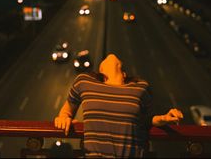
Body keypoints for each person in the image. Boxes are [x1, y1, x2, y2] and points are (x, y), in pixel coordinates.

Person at [54, 53, 183, 158]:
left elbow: (146, 120)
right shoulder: (84, 81)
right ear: (100, 71)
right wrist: (63, 118)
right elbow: (67, 111)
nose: (110, 56)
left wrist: (164, 118)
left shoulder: (140, 87)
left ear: (124, 74)